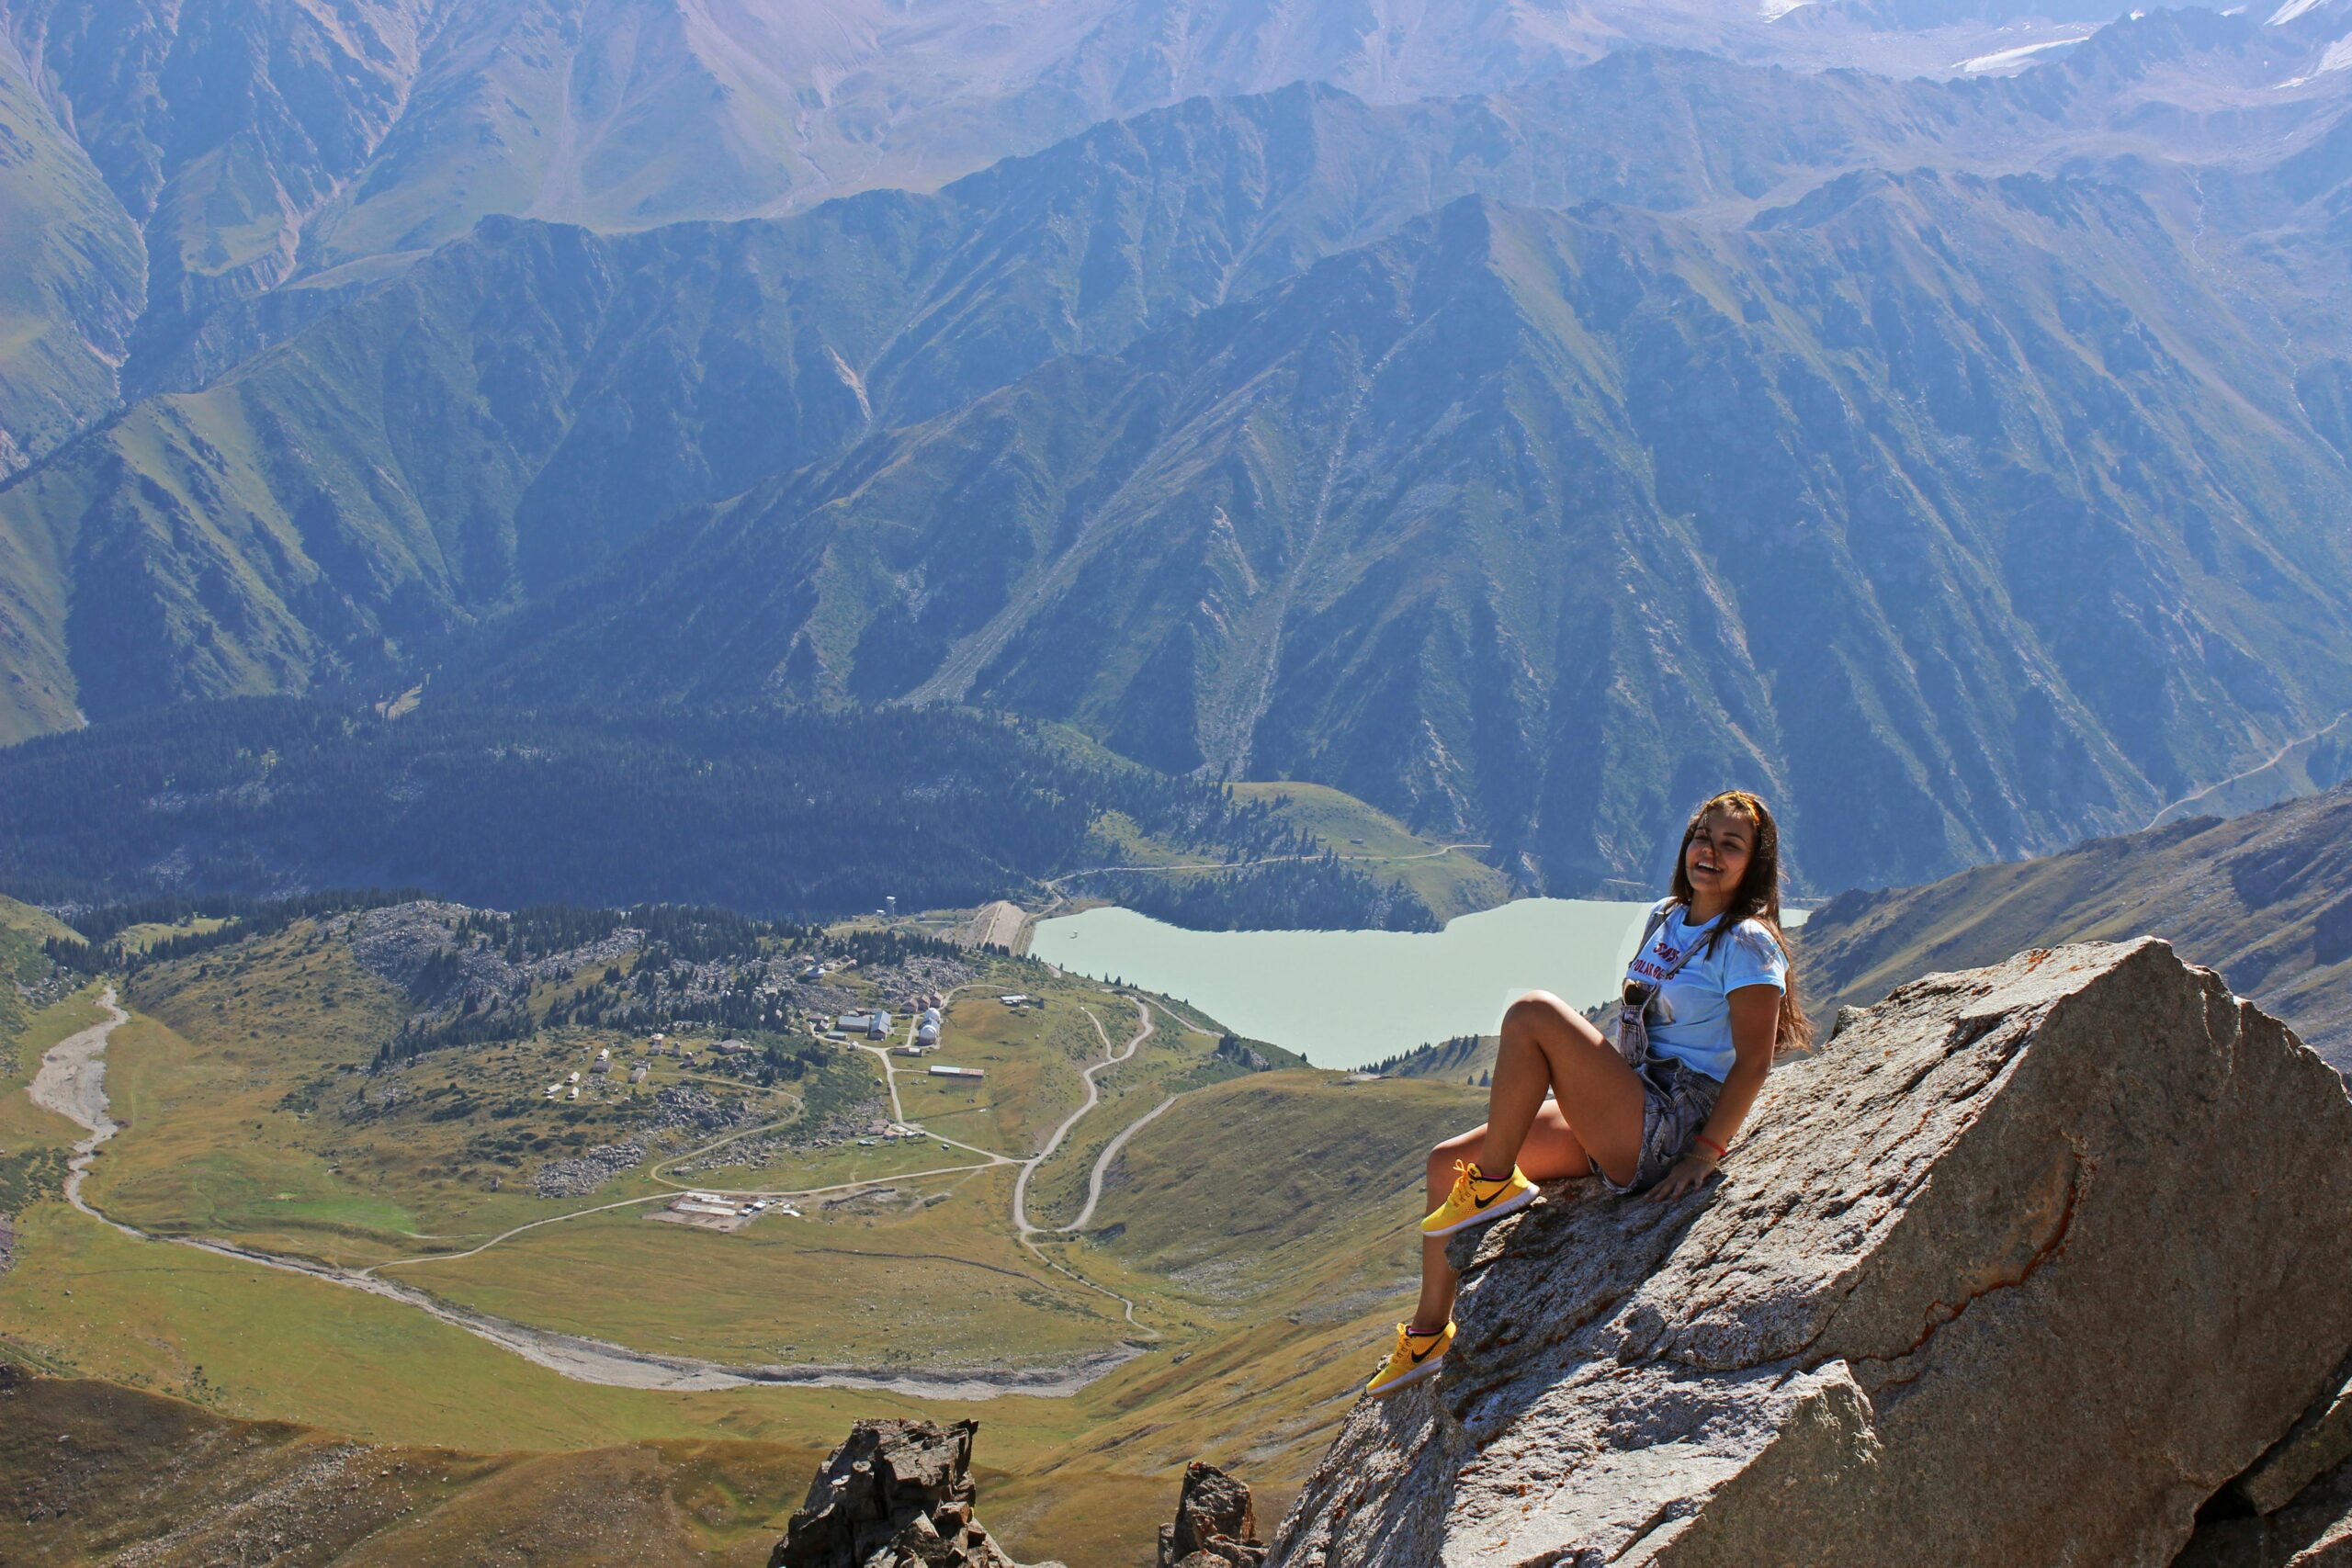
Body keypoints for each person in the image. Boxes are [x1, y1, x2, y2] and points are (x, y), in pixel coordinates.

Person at [1365, 788, 1812, 1397]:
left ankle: (1494, 1185)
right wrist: (1594, 1081)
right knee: (1445, 1164)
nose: (1710, 852)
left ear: (1753, 861)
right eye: (1703, 836)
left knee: (1531, 1012)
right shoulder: (1665, 917)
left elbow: (1756, 1061)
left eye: (1731, 844)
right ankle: (1426, 1335)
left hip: (1671, 1120)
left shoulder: (1748, 942)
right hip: (1631, 1099)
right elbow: (1635, 1019)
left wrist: (1705, 1151)